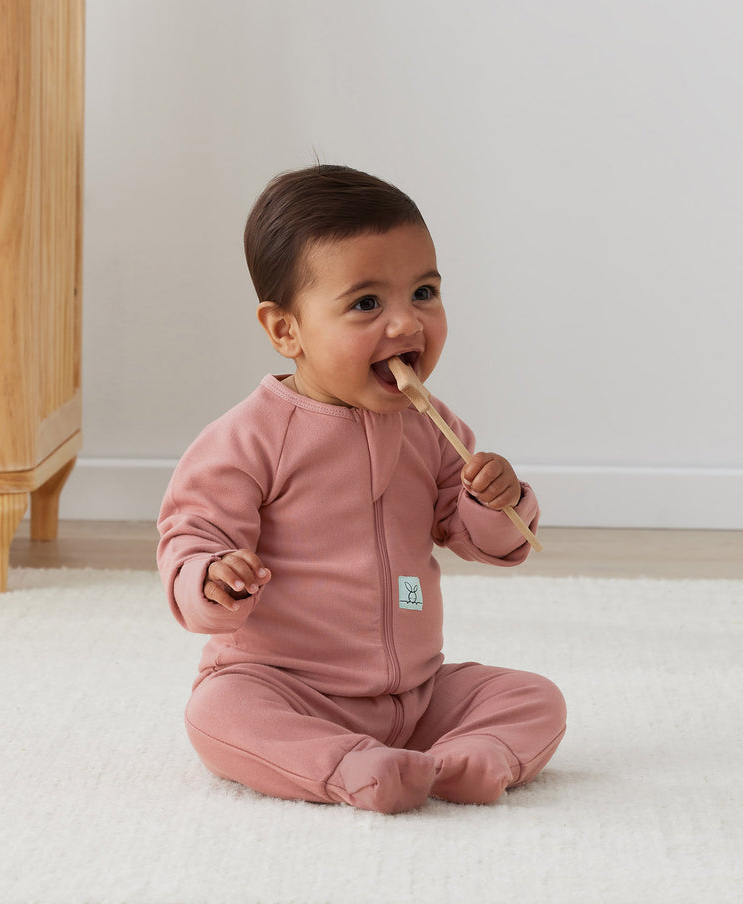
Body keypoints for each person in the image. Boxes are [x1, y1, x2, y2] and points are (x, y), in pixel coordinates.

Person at [157, 164, 566, 814]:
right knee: (218, 713)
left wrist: (497, 504)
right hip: (286, 685)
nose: (406, 325)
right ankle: (351, 768)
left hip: (415, 694)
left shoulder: (431, 426)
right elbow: (192, 537)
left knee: (534, 697)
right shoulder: (250, 438)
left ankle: (475, 756)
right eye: (367, 304)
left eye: (424, 293)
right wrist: (212, 577)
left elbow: (480, 540)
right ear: (286, 329)